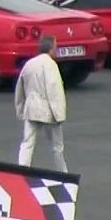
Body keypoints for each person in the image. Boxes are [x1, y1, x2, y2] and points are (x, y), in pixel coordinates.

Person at [14, 35, 68, 172]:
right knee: (57, 147)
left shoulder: (29, 64)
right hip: (49, 111)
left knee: (27, 142)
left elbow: (20, 88)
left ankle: (22, 171)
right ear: (51, 48)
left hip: (31, 109)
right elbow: (54, 90)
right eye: (56, 46)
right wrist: (60, 114)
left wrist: (20, 109)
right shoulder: (51, 65)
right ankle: (63, 173)